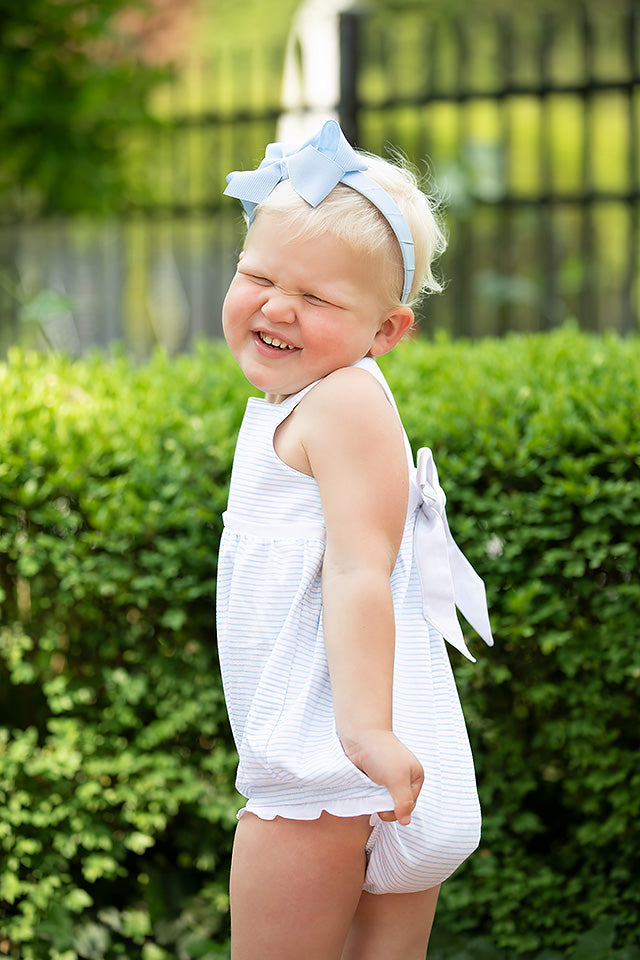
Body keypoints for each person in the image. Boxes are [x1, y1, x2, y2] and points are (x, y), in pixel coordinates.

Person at [216, 119, 493, 960]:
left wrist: (364, 732)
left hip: (328, 759)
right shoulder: (302, 398)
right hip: (345, 756)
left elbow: (360, 573)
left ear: (387, 331)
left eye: (318, 298)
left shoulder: (341, 403)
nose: (275, 306)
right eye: (258, 275)